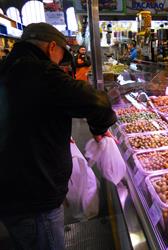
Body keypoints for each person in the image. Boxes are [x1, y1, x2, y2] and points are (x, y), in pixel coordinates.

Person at [0, 23, 117, 250]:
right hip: (34, 196)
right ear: (52, 47)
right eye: (62, 54)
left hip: (10, 189)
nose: (61, 61)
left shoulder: (6, 67)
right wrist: (100, 128)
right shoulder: (40, 71)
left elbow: (24, 115)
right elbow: (97, 102)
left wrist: (52, 132)